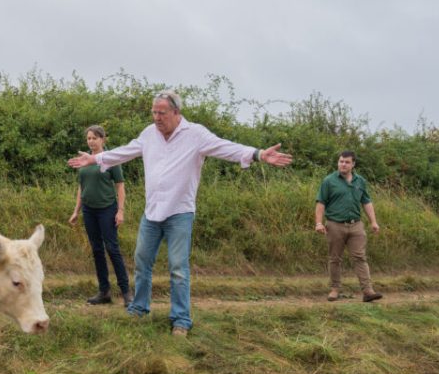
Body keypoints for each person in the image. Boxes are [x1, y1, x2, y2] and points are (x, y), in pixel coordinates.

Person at [68, 90, 293, 336]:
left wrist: (258, 154)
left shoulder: (195, 134)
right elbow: (126, 151)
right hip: (152, 212)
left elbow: (225, 147)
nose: (156, 117)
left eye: (161, 113)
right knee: (142, 262)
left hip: (179, 213)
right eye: (154, 112)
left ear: (176, 113)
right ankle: (139, 308)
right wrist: (96, 159)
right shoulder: (149, 134)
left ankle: (181, 320)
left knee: (177, 267)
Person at [68, 125, 132, 307]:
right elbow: (82, 187)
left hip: (107, 209)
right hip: (89, 210)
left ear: (103, 140)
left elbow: (120, 186)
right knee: (97, 250)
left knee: (112, 248)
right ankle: (104, 292)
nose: (91, 141)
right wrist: (76, 211)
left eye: (94, 138)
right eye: (88, 138)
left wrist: (120, 211)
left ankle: (126, 291)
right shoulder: (84, 161)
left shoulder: (111, 160)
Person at [314, 150, 383, 303]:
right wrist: (318, 223)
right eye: (341, 161)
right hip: (334, 225)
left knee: (360, 257)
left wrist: (373, 221)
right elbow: (321, 202)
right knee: (335, 259)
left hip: (356, 225)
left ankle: (367, 291)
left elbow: (366, 201)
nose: (343, 164)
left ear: (353, 164)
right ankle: (334, 289)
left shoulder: (360, 181)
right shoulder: (329, 181)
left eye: (346, 162)